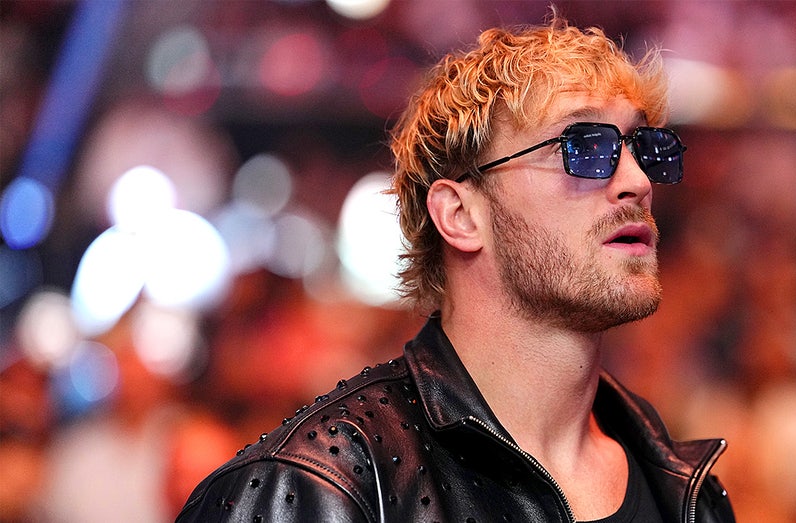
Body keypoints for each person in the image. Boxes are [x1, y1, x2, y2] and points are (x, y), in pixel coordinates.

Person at [177, 16, 735, 523]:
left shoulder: (686, 490)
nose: (637, 180)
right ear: (461, 215)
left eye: (644, 147)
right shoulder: (313, 488)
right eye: (583, 147)